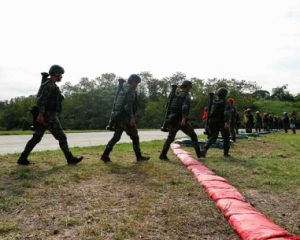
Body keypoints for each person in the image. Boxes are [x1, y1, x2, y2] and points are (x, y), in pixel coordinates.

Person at [17, 65, 84, 165]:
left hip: (45, 115)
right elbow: (41, 100)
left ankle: (22, 158)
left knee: (36, 138)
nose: (61, 76)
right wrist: (41, 114)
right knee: (61, 136)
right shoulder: (50, 85)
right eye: (61, 74)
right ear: (56, 74)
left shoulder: (50, 84)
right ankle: (70, 159)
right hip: (47, 115)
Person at [101, 74, 150, 162]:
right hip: (125, 117)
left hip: (117, 116)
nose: (137, 85)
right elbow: (128, 106)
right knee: (135, 137)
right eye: (137, 83)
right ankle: (139, 157)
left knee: (116, 137)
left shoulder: (123, 90)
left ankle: (105, 155)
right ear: (134, 82)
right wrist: (131, 117)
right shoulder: (131, 91)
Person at [159, 81, 201, 160]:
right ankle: (199, 155)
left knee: (170, 138)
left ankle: (162, 155)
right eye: (189, 87)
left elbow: (167, 106)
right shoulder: (186, 96)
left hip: (172, 119)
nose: (190, 89)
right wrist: (184, 119)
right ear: (187, 87)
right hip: (180, 119)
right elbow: (185, 107)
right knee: (193, 135)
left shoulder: (174, 95)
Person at [200, 87, 231, 158]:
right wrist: (226, 122)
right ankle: (226, 153)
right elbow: (226, 113)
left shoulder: (213, 102)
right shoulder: (226, 103)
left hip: (212, 121)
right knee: (226, 137)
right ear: (225, 95)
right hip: (221, 122)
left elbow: (208, 111)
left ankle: (204, 149)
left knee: (212, 137)